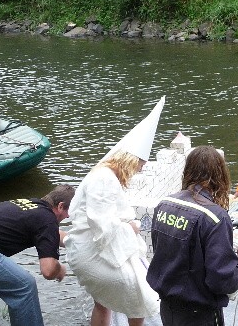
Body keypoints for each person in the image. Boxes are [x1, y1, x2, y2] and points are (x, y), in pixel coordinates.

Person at [66, 97, 165, 326]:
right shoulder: (104, 178)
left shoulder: (106, 176)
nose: (139, 171)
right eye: (139, 166)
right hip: (89, 252)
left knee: (103, 300)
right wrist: (131, 227)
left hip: (89, 247)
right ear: (130, 161)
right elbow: (102, 225)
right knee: (140, 292)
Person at [147, 146, 238, 326]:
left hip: (168, 308)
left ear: (187, 171)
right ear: (220, 175)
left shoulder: (164, 205)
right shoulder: (215, 217)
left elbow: (162, 252)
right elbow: (222, 281)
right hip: (199, 313)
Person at [0, 185, 74, 326]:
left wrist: (82, 243)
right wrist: (59, 269)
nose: (69, 216)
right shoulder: (47, 220)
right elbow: (48, 271)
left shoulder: (32, 206)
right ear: (60, 206)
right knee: (25, 287)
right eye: (69, 212)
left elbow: (51, 234)